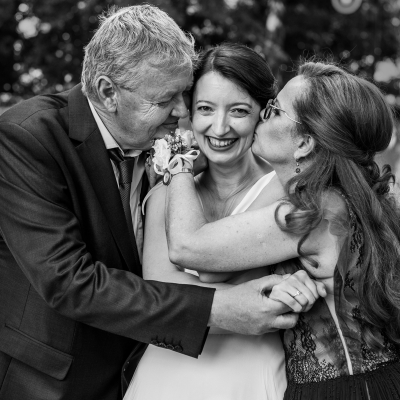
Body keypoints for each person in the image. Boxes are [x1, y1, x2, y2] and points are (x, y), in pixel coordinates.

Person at [0, 5, 301, 400]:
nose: (182, 112)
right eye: (165, 100)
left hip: (141, 373)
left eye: (183, 95)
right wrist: (219, 309)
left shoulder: (167, 152)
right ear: (108, 93)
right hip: (55, 380)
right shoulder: (28, 138)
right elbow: (69, 282)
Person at [164, 60, 400, 399]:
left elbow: (187, 247)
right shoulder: (338, 197)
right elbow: (215, 271)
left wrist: (178, 161)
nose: (261, 116)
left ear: (304, 143)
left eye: (274, 110)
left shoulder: (316, 212)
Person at [124, 43, 313, 400]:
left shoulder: (286, 189)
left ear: (263, 114)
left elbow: (202, 270)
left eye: (239, 110)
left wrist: (186, 298)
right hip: (166, 373)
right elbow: (159, 294)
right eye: (205, 109)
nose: (220, 127)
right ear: (190, 112)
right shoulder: (167, 193)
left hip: (249, 375)